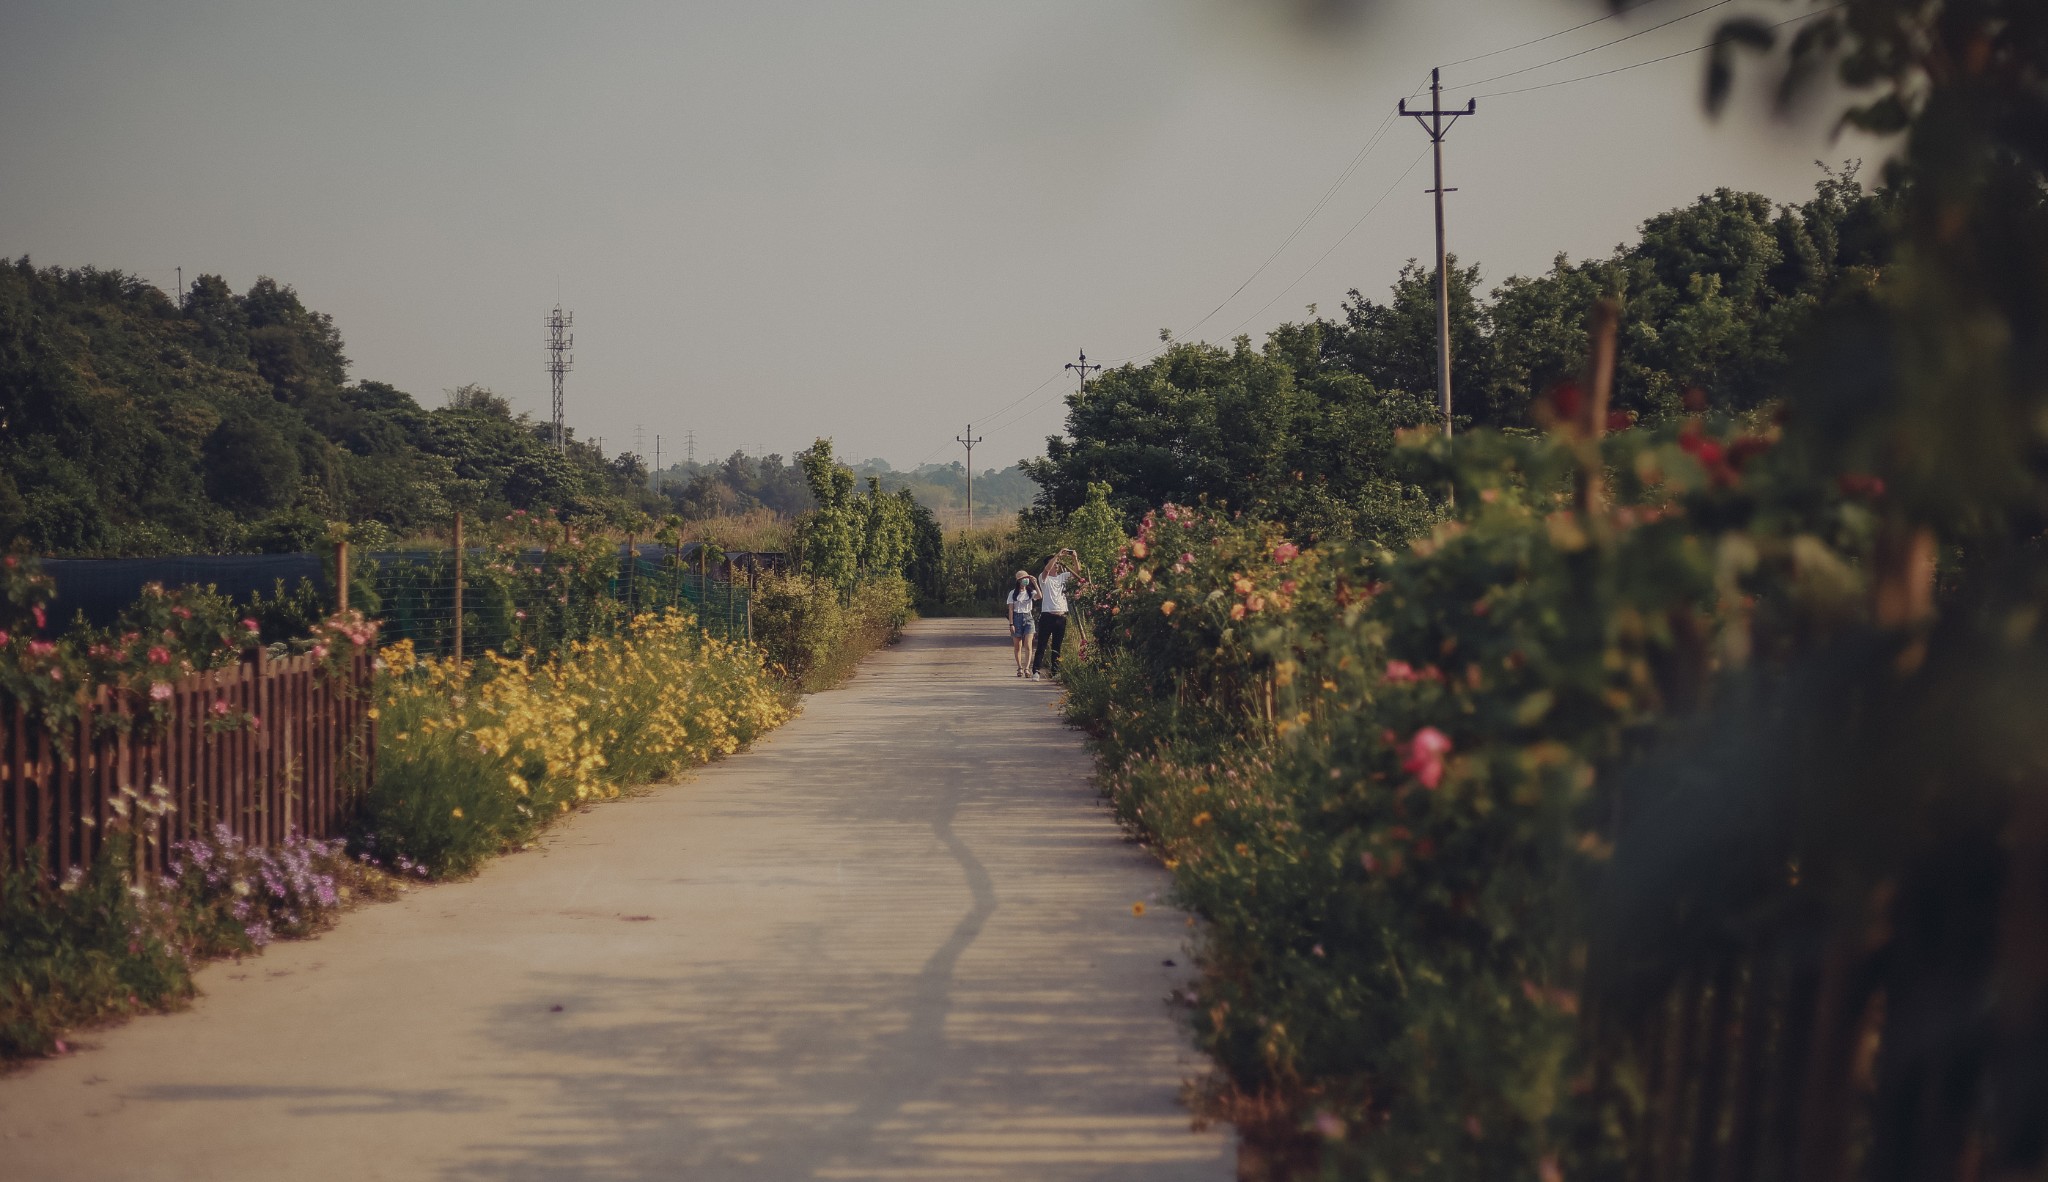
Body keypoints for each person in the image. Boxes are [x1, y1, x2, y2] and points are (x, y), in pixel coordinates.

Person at [1030, 548, 1083, 680]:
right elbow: (1047, 570)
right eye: (1055, 563)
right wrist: (1058, 554)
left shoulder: (1062, 577)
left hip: (1061, 616)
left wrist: (1074, 558)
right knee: (1042, 644)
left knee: (1057, 646)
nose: (1057, 565)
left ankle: (1055, 672)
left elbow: (1077, 572)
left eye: (1057, 564)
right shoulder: (1043, 579)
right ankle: (1036, 671)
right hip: (1047, 616)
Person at [1003, 570, 1037, 678]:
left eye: (1027, 578)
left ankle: (1027, 668)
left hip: (1028, 618)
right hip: (1017, 618)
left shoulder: (1031, 592)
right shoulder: (1012, 593)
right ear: (1018, 580)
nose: (1026, 580)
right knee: (1018, 645)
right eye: (1023, 578)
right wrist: (1011, 624)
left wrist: (1035, 583)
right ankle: (1019, 667)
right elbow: (1011, 609)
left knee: (1028, 644)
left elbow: (1040, 596)